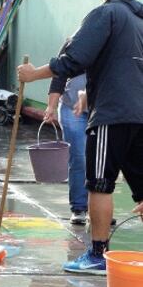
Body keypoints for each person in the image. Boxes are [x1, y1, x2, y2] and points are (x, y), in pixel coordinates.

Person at [19, 0, 143, 275]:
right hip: (139, 114)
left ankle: (98, 254)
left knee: (100, 184)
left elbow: (74, 59)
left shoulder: (106, 14)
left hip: (113, 114)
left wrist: (34, 74)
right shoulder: (139, 19)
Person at [45, 71, 89, 225]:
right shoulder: (73, 47)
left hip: (102, 109)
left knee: (101, 159)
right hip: (72, 108)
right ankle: (79, 207)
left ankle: (100, 206)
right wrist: (51, 106)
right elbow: (59, 75)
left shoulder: (114, 48)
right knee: (79, 157)